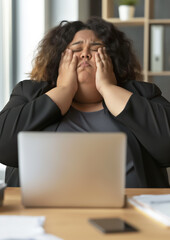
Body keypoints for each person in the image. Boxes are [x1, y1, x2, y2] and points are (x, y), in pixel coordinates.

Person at [0, 17, 170, 187]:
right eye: (76, 48)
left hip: (134, 211)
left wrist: (108, 88)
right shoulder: (28, 92)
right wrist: (64, 89)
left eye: (96, 49)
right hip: (44, 211)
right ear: (58, 60)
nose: (85, 53)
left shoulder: (144, 93)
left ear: (113, 60)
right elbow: (4, 148)